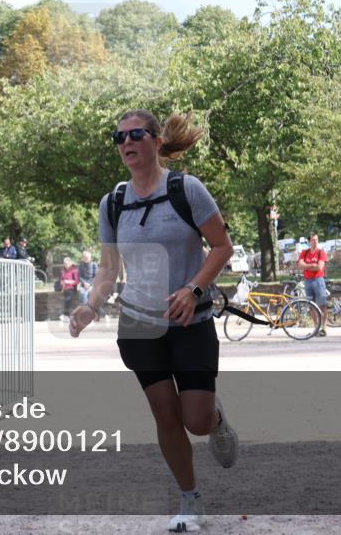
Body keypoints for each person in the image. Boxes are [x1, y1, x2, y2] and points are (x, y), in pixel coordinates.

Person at [68, 109, 237, 532]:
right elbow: (108, 270)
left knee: (194, 418)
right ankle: (190, 501)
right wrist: (91, 306)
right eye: (119, 137)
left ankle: (215, 421)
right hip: (140, 326)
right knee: (165, 414)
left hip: (190, 322)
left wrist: (194, 289)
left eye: (135, 134)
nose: (126, 143)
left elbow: (221, 247)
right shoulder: (113, 203)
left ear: (157, 141)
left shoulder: (187, 189)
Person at [297, 233, 328, 337]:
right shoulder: (304, 252)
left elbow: (319, 267)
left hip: (318, 280)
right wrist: (311, 265)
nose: (315, 242)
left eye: (317, 240)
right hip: (308, 281)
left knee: (322, 305)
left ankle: (324, 328)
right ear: (309, 241)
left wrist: (306, 266)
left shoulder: (321, 253)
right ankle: (316, 327)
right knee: (311, 305)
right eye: (313, 240)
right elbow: (300, 265)